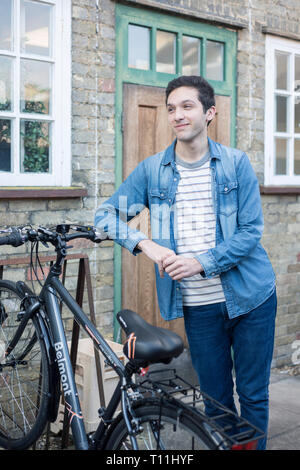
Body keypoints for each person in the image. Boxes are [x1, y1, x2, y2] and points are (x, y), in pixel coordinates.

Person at [95, 75, 277, 450]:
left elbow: (249, 232)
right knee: (216, 400)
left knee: (253, 395)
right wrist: (147, 245)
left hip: (251, 298)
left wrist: (201, 262)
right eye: (172, 108)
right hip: (200, 307)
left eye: (187, 106)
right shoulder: (152, 171)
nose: (178, 115)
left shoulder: (234, 164)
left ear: (210, 112)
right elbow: (106, 216)